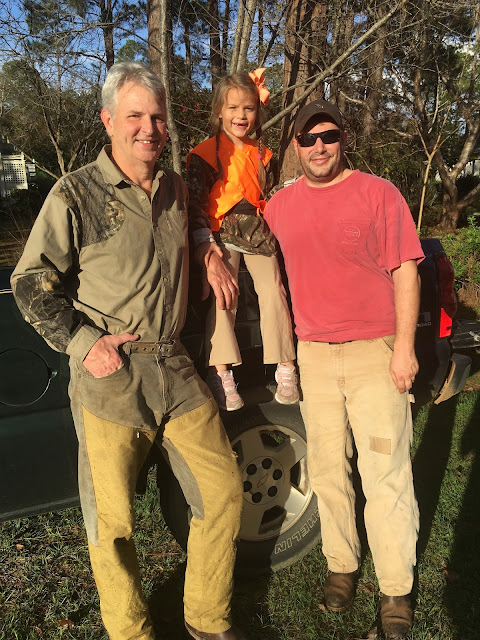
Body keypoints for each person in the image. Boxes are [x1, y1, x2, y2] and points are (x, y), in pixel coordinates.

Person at [11, 62, 248, 640]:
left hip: (175, 365)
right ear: (108, 120)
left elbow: (199, 223)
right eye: (135, 116)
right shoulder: (76, 193)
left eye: (158, 117)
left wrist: (207, 250)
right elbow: (30, 281)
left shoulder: (174, 189)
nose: (149, 128)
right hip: (112, 377)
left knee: (222, 492)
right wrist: (84, 343)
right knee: (113, 524)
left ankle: (206, 619)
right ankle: (131, 631)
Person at [264, 99, 424, 640]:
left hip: (374, 351)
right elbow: (246, 248)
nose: (319, 147)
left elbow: (406, 271)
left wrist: (404, 348)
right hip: (313, 355)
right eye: (308, 139)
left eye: (328, 135)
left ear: (343, 139)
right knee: (329, 469)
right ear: (295, 146)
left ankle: (395, 589)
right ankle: (341, 564)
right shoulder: (280, 206)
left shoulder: (379, 193)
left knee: (385, 472)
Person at [186, 69, 298, 411]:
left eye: (249, 108)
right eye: (233, 108)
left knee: (274, 288)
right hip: (220, 230)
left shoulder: (262, 153)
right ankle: (222, 372)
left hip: (257, 230)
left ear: (257, 113)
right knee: (225, 294)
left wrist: (289, 191)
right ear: (219, 111)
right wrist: (204, 240)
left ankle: (285, 364)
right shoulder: (204, 153)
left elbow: (269, 194)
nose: (241, 115)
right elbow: (195, 202)